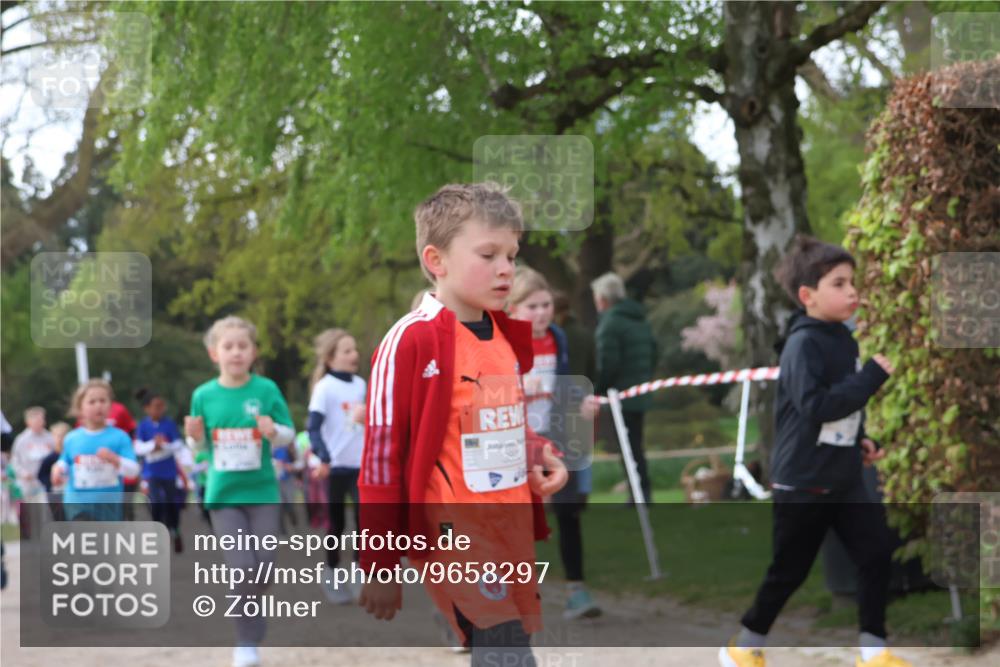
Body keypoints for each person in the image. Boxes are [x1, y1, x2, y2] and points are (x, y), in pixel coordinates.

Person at [358, 182, 569, 667]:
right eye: (488, 253)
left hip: (509, 525)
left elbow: (505, 423)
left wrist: (537, 452)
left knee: (509, 648)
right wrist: (380, 564)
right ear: (437, 260)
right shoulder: (410, 341)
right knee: (506, 652)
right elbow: (381, 462)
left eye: (512, 255)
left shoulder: (503, 336)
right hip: (454, 534)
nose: (505, 269)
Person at [719, 236, 906, 667]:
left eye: (852, 282)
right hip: (802, 482)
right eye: (839, 283)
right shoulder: (802, 344)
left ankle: (874, 653)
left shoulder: (843, 339)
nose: (852, 291)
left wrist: (860, 440)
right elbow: (816, 406)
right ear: (808, 296)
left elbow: (839, 409)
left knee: (876, 553)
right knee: (790, 572)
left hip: (842, 478)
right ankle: (743, 648)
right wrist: (872, 378)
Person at [184, 315, 295, 667]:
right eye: (228, 346)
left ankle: (247, 602)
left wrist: (274, 431)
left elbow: (290, 433)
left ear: (254, 352)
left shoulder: (266, 390)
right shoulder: (203, 395)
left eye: (242, 346)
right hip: (223, 496)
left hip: (262, 492)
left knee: (262, 569)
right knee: (241, 568)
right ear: (214, 354)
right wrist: (195, 435)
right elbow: (198, 449)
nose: (236, 352)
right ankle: (246, 642)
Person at [509, 267, 601, 620]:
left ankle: (576, 590)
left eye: (546, 304)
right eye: (532, 306)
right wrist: (518, 389)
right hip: (515, 442)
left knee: (568, 512)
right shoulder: (501, 342)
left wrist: (583, 401)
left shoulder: (559, 338)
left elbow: (567, 384)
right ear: (513, 308)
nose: (542, 312)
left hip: (558, 438)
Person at [306, 328, 366, 604]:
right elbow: (313, 428)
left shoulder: (361, 385)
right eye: (347, 351)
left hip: (360, 465)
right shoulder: (325, 387)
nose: (355, 355)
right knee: (337, 525)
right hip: (334, 468)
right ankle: (331, 573)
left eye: (354, 349)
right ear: (331, 359)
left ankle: (359, 575)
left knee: (364, 523)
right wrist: (324, 456)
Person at [590, 271, 657, 504]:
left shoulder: (610, 324)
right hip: (641, 390)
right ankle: (642, 491)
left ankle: (638, 495)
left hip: (622, 394)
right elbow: (654, 352)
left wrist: (598, 389)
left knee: (628, 448)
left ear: (603, 299)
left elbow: (608, 364)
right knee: (636, 445)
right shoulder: (640, 320)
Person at [52, 380, 139, 522]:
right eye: (92, 402)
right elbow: (65, 461)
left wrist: (115, 459)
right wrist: (57, 468)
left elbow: (133, 470)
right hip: (78, 504)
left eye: (103, 400)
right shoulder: (72, 438)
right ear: (80, 408)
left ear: (110, 405)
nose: (98, 405)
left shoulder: (120, 437)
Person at [134, 387, 185, 553]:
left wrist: (163, 445)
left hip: (169, 471)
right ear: (147, 408)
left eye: (162, 406)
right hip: (151, 472)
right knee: (155, 502)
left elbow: (178, 444)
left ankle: (175, 530)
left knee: (172, 503)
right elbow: (138, 447)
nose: (160, 409)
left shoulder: (169, 424)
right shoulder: (143, 426)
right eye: (156, 406)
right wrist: (152, 446)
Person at [11, 406, 55, 537]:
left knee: (43, 508)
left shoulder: (49, 438)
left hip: (43, 481)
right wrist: (23, 473)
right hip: (27, 482)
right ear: (28, 422)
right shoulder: (22, 440)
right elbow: (14, 461)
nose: (39, 422)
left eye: (41, 419)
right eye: (36, 419)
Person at [38, 422, 70, 521]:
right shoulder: (50, 458)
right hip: (55, 493)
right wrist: (51, 482)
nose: (60, 439)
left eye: (63, 436)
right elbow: (41, 475)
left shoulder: (71, 456)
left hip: (70, 493)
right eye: (57, 436)